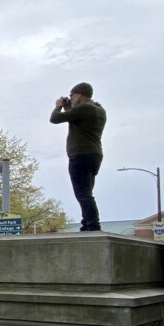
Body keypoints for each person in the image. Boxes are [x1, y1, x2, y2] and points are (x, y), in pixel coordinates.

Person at [50, 82, 107, 232]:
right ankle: (87, 224)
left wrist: (58, 106)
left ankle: (93, 225)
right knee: (87, 192)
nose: (71, 98)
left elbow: (55, 118)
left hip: (80, 155)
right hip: (94, 155)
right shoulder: (98, 109)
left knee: (82, 193)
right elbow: (74, 116)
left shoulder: (85, 108)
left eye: (72, 95)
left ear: (81, 95)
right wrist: (69, 106)